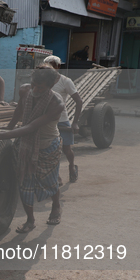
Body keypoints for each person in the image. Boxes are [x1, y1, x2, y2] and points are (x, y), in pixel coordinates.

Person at [0, 65, 64, 233]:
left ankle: (56, 206)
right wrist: (7, 129)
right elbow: (19, 111)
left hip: (47, 146)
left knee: (49, 181)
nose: (35, 89)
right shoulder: (25, 91)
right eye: (33, 84)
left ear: (50, 86)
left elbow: (31, 127)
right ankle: (30, 220)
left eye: (40, 87)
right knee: (24, 183)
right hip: (26, 145)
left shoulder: (56, 103)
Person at [44, 55, 83, 184]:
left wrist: (75, 122)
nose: (48, 68)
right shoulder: (42, 80)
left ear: (58, 67)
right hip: (46, 120)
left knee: (66, 149)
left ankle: (72, 165)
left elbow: (78, 101)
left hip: (62, 120)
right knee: (52, 150)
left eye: (51, 66)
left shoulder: (65, 81)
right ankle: (56, 176)